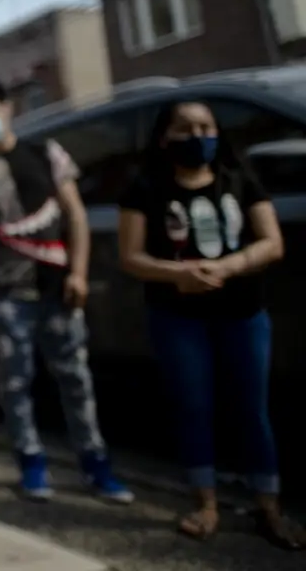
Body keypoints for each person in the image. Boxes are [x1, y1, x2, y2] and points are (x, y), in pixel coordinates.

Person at [117, 100, 301, 549]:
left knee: (252, 410)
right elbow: (131, 257)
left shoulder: (239, 180)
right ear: (165, 138)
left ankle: (269, 507)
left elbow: (271, 243)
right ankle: (206, 503)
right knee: (194, 407)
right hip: (177, 319)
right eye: (185, 128)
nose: (198, 134)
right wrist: (178, 274)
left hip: (243, 314)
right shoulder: (145, 188)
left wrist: (230, 265)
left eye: (206, 126)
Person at [0, 78, 132, 504]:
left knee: (75, 378)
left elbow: (75, 216)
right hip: (5, 294)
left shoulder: (45, 153)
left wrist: (80, 273)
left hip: (56, 288)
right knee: (15, 382)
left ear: (8, 108)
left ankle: (95, 463)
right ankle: (31, 463)